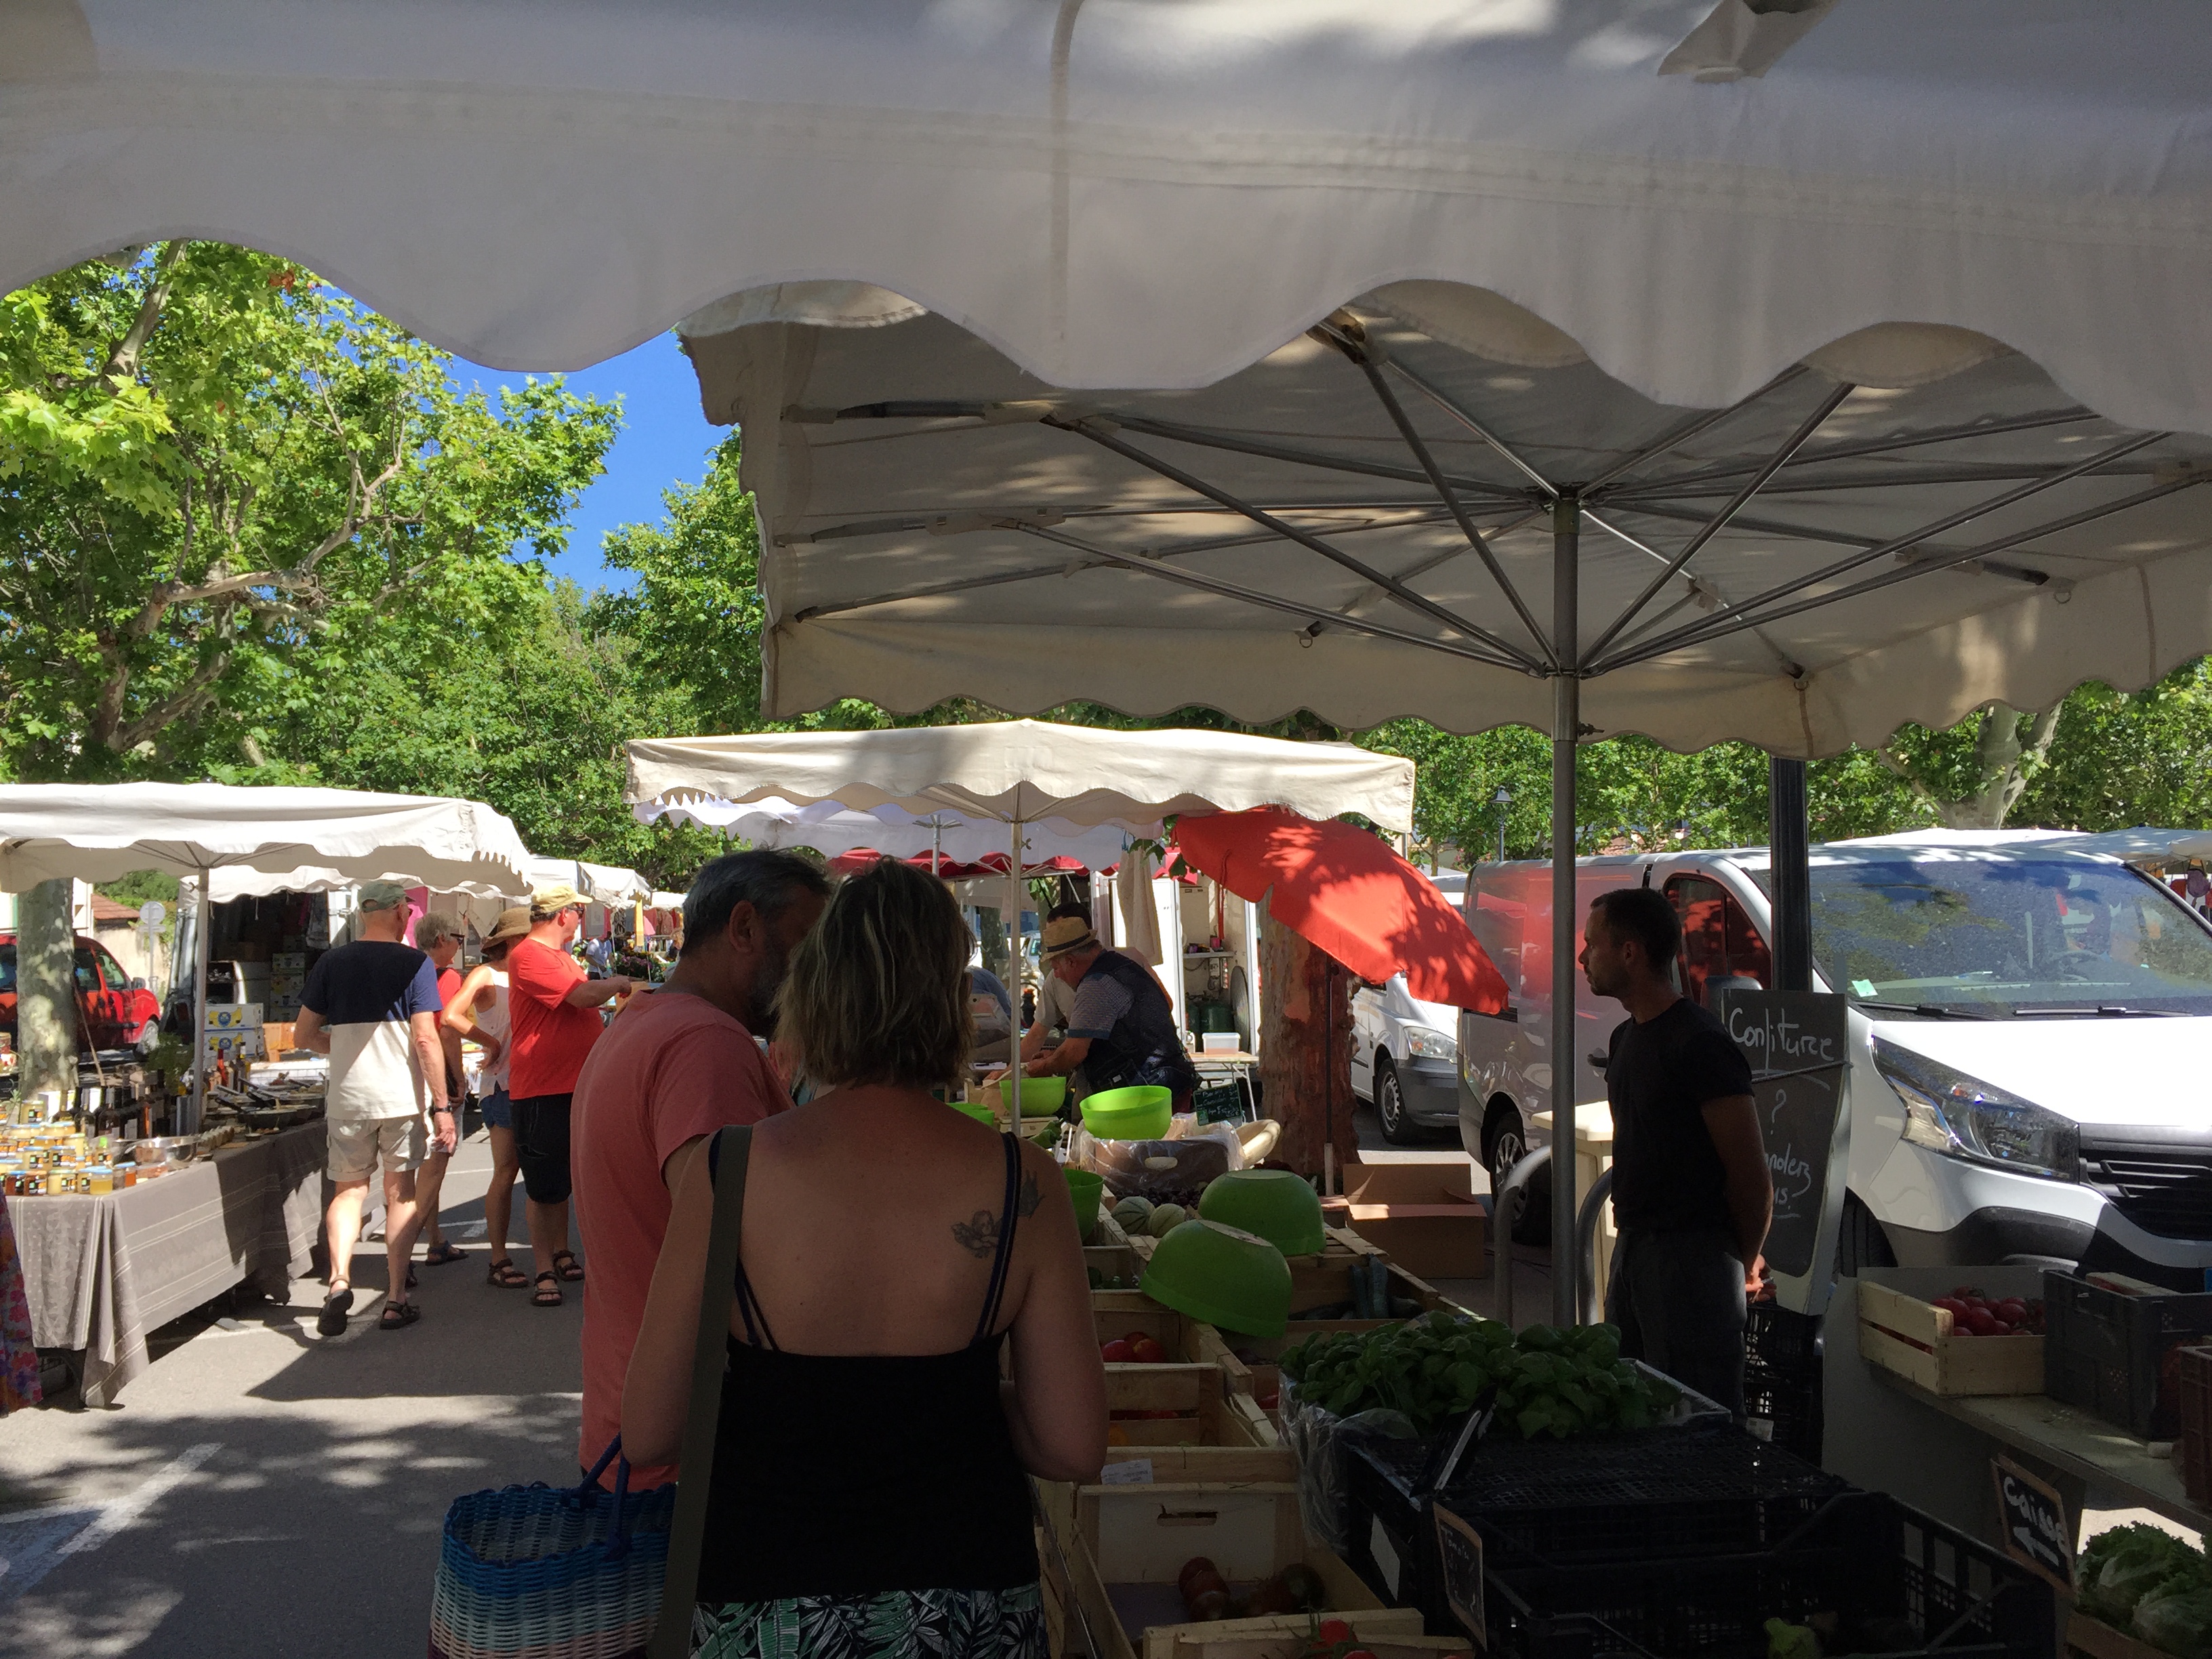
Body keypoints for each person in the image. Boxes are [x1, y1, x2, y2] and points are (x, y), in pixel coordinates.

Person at [623, 857, 1103, 1654]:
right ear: (953, 1002)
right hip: (967, 1610)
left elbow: (648, 1431)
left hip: (769, 1607)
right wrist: (956, 1399)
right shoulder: (1026, 1185)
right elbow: (1073, 1446)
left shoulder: (727, 1171)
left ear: (816, 993)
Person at [571, 850, 830, 1488]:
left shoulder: (643, 1022)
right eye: (804, 952)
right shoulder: (705, 1046)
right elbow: (742, 1252)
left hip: (638, 1422)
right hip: (688, 1455)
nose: (815, 978)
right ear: (743, 928)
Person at [1578, 886, 1771, 1415]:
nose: (1582, 957)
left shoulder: (1699, 1042)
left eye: (1592, 945)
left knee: (1695, 1415)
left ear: (1630, 952)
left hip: (1693, 1260)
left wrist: (1744, 1259)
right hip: (1635, 1248)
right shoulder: (1625, 1039)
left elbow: (1750, 1175)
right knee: (1632, 1405)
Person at [294, 880, 454, 1334]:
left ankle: (339, 1279)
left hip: (348, 1097)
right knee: (399, 1191)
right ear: (399, 913)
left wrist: (342, 1048)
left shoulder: (331, 962)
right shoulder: (415, 965)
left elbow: (302, 1036)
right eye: (407, 909)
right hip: (399, 1096)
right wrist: (442, 1105)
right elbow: (425, 1038)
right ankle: (396, 1297)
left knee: (348, 1192)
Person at [508, 884, 632, 1309]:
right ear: (564, 914)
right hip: (543, 1088)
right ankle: (543, 1267)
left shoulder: (560, 957)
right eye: (580, 911)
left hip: (573, 1083)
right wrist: (618, 982)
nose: (582, 919)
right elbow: (581, 997)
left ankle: (560, 1251)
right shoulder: (529, 955)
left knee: (563, 1181)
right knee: (544, 1187)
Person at [1023, 915, 1197, 1110]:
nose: (1056, 975)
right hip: (1167, 1082)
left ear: (1071, 961)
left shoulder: (1096, 985)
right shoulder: (1121, 964)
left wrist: (1044, 1068)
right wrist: (1055, 1055)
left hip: (1148, 1092)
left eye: (1056, 967)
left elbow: (1075, 1051)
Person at [443, 905, 529, 1289]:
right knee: (507, 1170)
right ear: (512, 941)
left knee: (543, 1171)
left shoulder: (531, 972)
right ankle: (498, 1257)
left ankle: (553, 1252)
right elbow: (451, 1015)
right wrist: (488, 1041)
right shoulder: (487, 973)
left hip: (535, 1081)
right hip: (502, 1084)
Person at [410, 910, 470, 1269]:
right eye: (457, 938)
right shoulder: (446, 976)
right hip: (438, 1073)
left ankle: (435, 1239)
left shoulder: (411, 971)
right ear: (440, 941)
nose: (460, 945)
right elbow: (447, 1029)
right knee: (437, 1161)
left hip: (411, 1069)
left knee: (427, 1165)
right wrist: (458, 1077)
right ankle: (406, 1244)